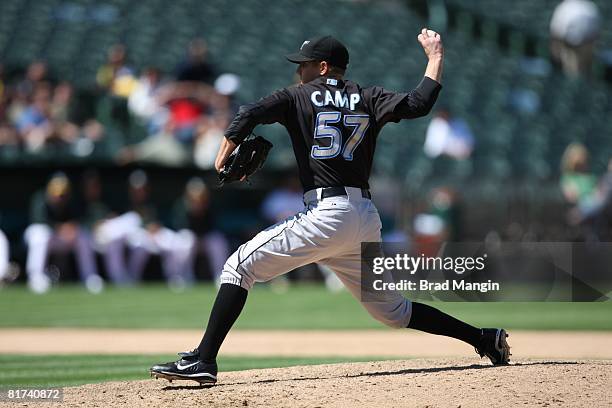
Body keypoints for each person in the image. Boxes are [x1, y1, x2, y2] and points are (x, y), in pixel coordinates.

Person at [151, 30, 510, 384]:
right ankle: (483, 339)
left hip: (327, 213)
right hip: (364, 217)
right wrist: (435, 58)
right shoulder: (368, 96)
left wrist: (223, 153)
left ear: (323, 67)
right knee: (392, 310)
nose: (298, 70)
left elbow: (250, 111)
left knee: (238, 265)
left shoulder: (298, 96)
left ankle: (203, 360)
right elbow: (420, 103)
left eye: (304, 64)